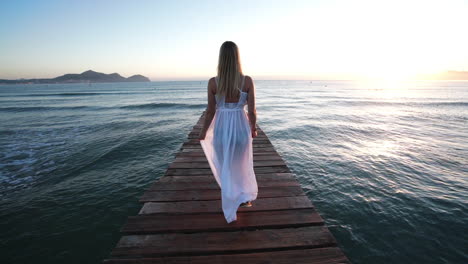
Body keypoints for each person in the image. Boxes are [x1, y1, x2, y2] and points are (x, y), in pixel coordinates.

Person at [198, 41, 258, 223]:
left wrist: (203, 132)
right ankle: (244, 198)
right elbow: (253, 111)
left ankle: (231, 196)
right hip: (241, 128)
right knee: (241, 164)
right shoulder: (247, 81)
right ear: (237, 58)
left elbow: (210, 111)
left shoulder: (213, 82)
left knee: (225, 166)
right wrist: (253, 129)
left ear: (221, 59)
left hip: (222, 129)